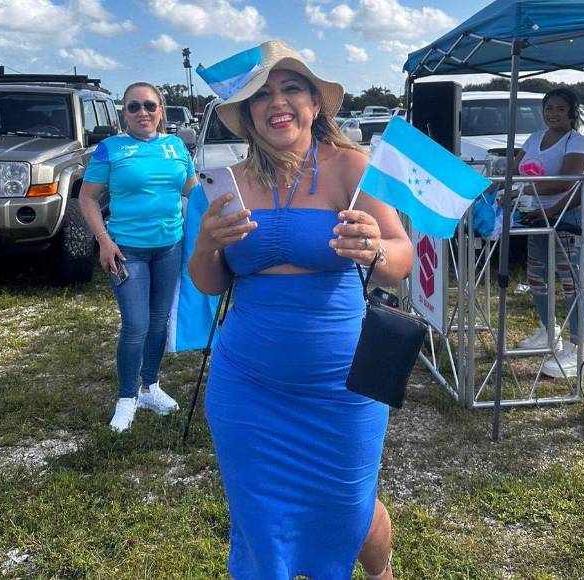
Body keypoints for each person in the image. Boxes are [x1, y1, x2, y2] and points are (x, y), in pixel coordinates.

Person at [189, 40, 412, 579]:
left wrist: (375, 250)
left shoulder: (351, 168)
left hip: (343, 384)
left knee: (350, 509)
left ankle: (380, 571)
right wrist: (207, 245)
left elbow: (400, 258)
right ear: (248, 114)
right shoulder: (225, 183)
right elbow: (207, 282)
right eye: (261, 94)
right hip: (247, 384)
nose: (277, 102)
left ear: (315, 104)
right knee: (260, 521)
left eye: (291, 88)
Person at [79, 82, 198, 432]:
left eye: (149, 105)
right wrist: (103, 240)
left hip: (170, 247)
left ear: (161, 110)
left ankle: (150, 387)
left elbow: (192, 189)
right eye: (133, 106)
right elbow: (87, 198)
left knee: (159, 322)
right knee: (136, 325)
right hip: (126, 250)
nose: (142, 112)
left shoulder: (176, 146)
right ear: (124, 113)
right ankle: (126, 397)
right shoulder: (110, 149)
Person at [515, 88, 584, 378]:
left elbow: (567, 181)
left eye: (560, 109)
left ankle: (576, 350)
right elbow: (515, 169)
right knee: (536, 277)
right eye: (549, 108)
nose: (553, 114)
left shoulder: (578, 142)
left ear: (573, 113)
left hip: (572, 216)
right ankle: (548, 332)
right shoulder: (534, 138)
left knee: (572, 283)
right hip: (538, 215)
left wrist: (523, 189)